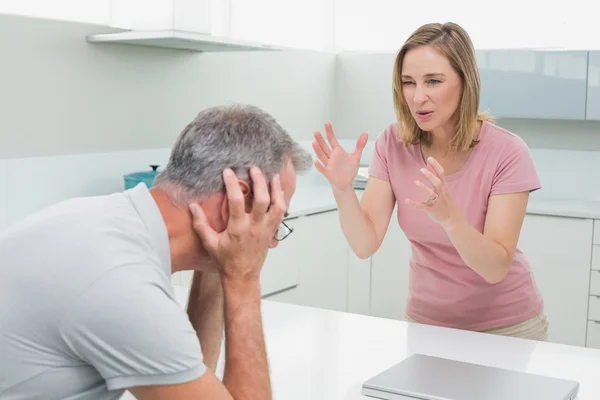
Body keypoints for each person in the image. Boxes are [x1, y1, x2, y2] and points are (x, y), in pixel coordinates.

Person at [0, 104, 312, 399]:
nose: (270, 242)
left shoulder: (110, 225)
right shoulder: (120, 282)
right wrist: (244, 277)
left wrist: (224, 266)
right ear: (239, 200)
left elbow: (182, 380)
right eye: (274, 220)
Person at [312, 22, 548, 340]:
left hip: (507, 328)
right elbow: (364, 244)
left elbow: (496, 268)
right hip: (426, 323)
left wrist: (449, 217)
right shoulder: (392, 143)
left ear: (465, 82)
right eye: (408, 83)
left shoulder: (507, 152)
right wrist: (342, 190)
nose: (418, 97)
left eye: (433, 81)